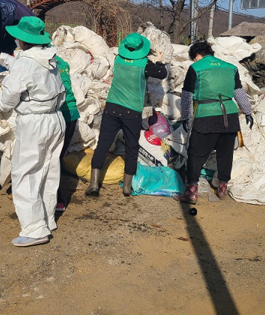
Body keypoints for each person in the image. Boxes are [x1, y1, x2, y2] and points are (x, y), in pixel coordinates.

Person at [0, 16, 65, 247]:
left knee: (26, 173)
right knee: (48, 170)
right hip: (55, 118)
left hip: (34, 123)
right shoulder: (49, 57)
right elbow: (28, 66)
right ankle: (47, 218)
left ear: (22, 40)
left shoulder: (25, 63)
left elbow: (8, 98)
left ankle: (34, 230)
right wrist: (4, 59)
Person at [85, 32, 167, 197]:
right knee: (131, 147)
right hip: (131, 111)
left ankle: (93, 184)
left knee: (103, 144)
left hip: (112, 108)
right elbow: (162, 73)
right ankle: (127, 187)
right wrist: (159, 60)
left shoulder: (118, 60)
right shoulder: (145, 64)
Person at [174, 41, 254, 204]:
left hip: (206, 117)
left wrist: (185, 118)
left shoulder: (196, 68)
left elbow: (187, 97)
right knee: (225, 154)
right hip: (230, 118)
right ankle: (223, 187)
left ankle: (191, 192)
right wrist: (248, 112)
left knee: (195, 155)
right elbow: (239, 93)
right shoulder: (230, 68)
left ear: (197, 55)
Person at [54, 55, 81, 212]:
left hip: (59, 113)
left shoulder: (41, 62)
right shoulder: (62, 62)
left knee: (53, 158)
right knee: (58, 156)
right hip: (71, 113)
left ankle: (58, 199)